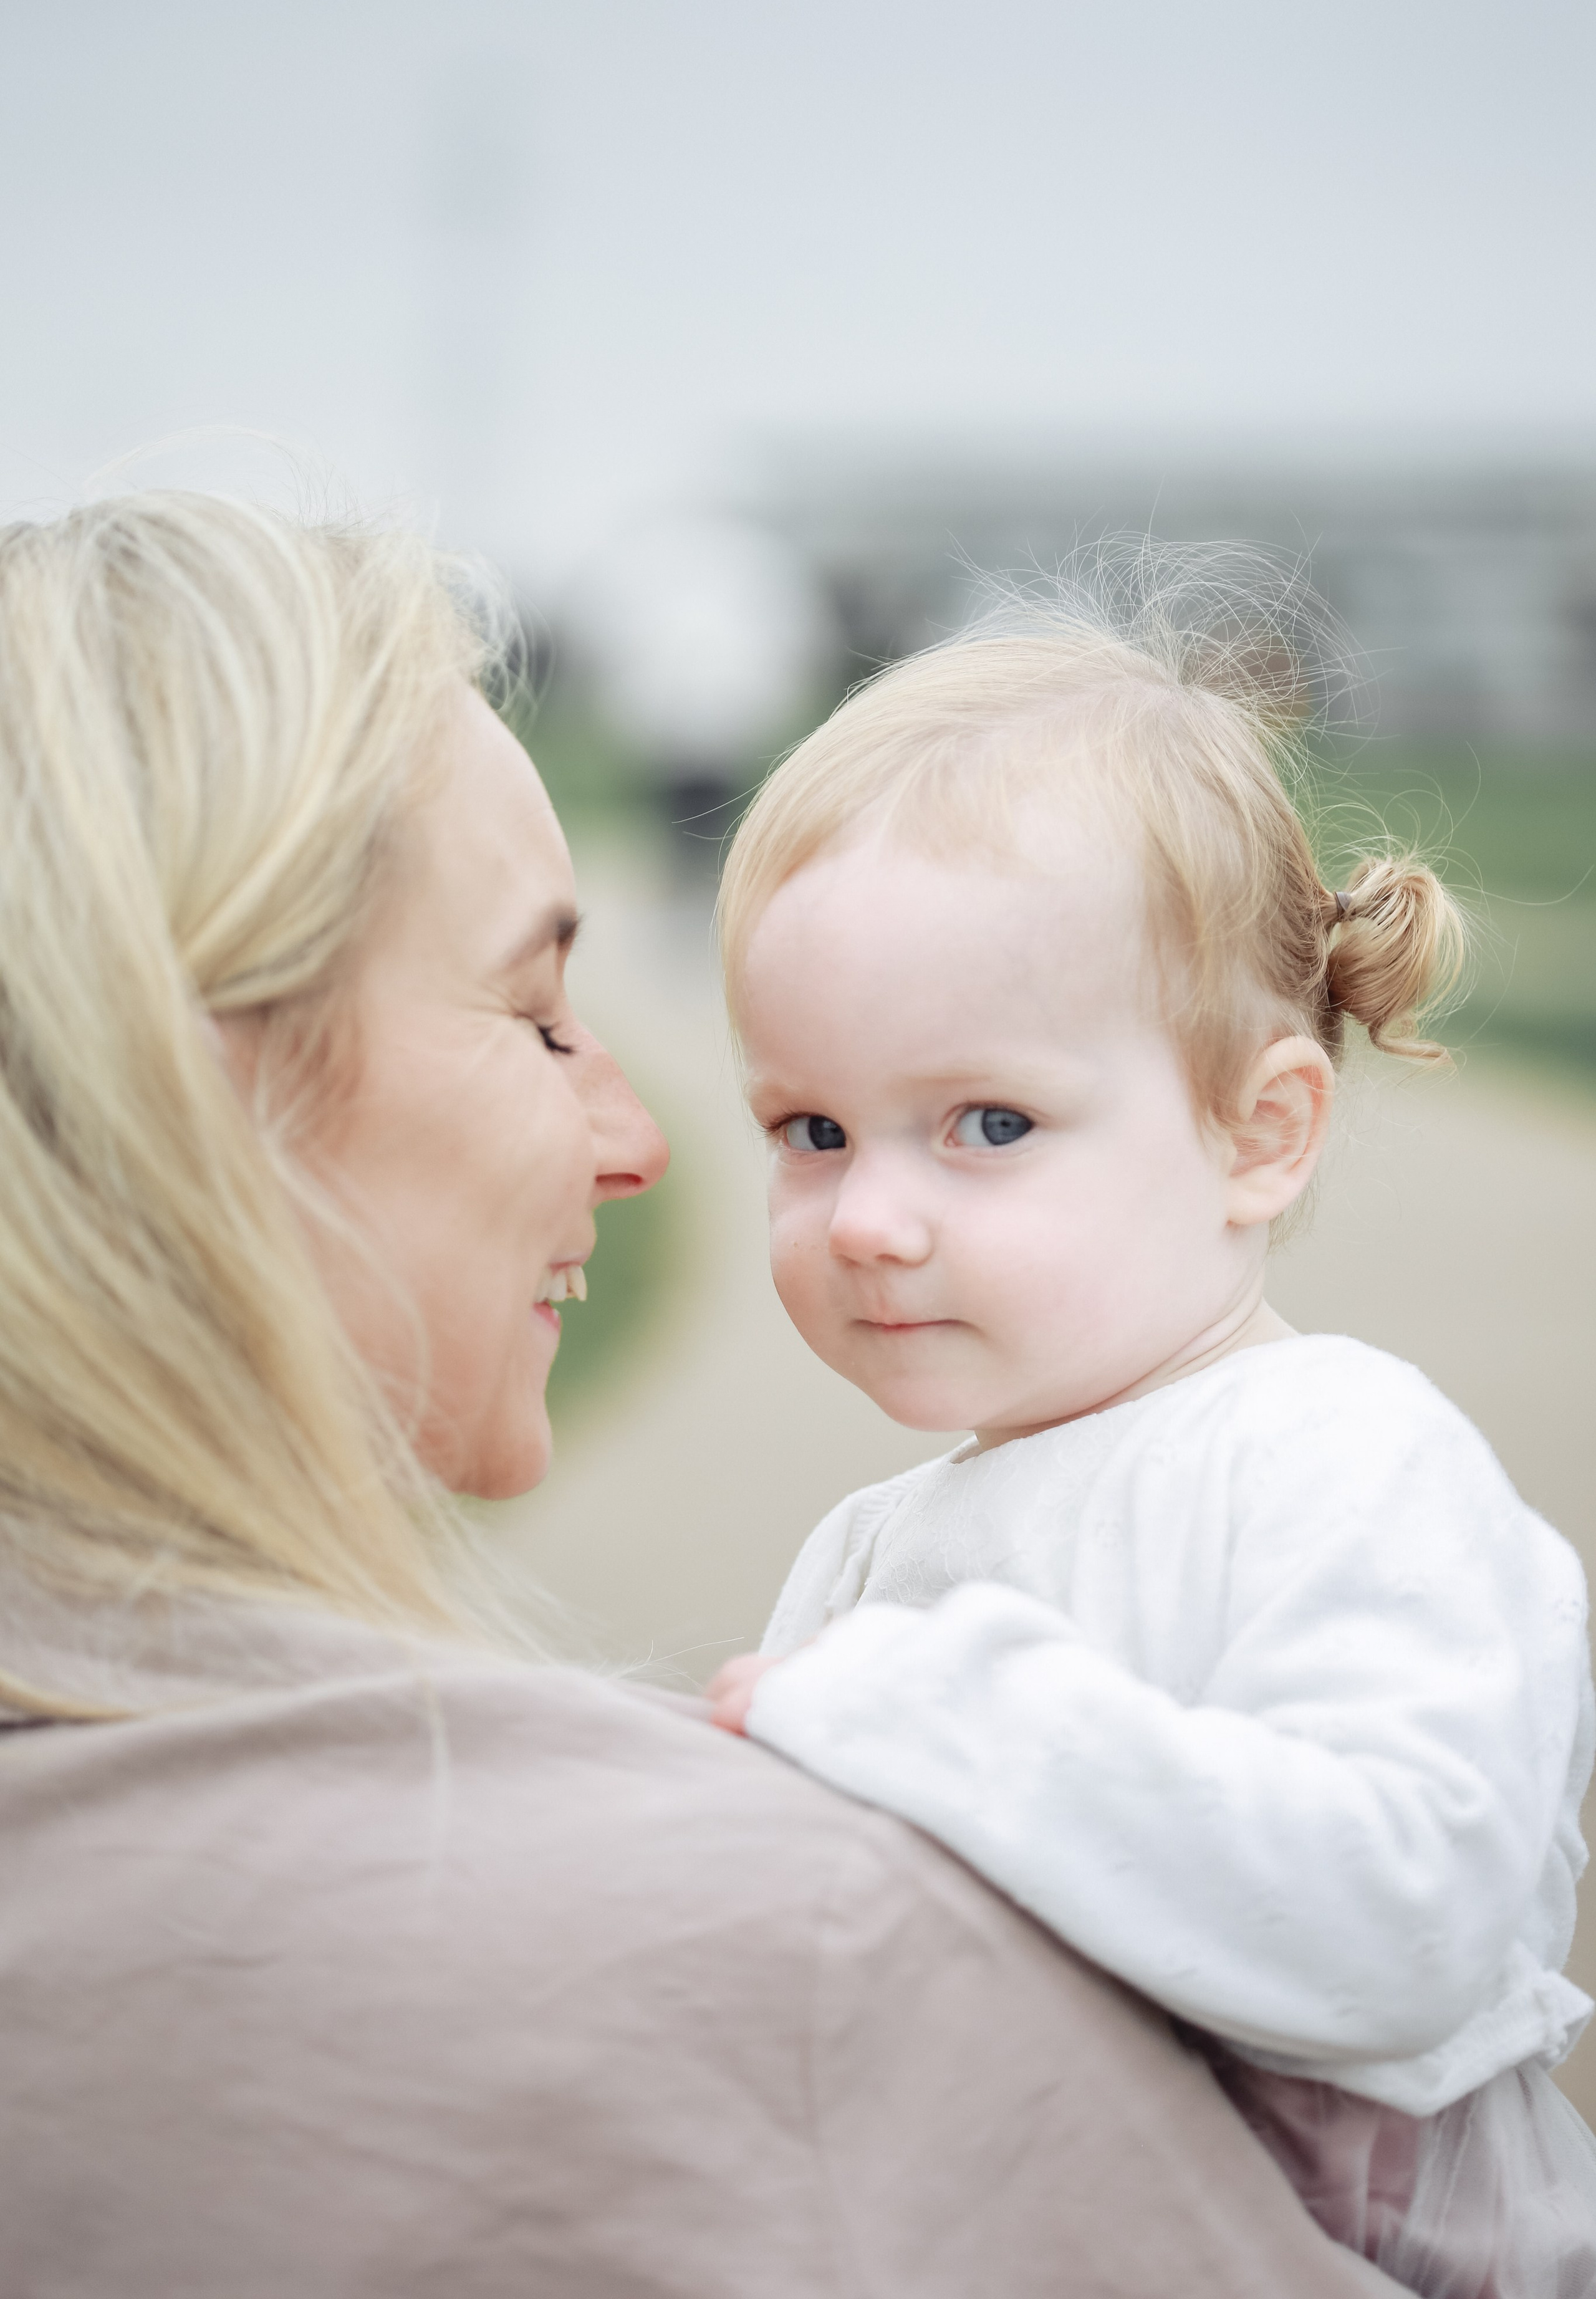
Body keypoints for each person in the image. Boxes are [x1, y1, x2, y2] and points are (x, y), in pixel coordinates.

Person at [0, 496, 1405, 2298]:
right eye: (537, 1015)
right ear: (194, 1102)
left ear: (1268, 1130)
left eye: (988, 1123)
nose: (642, 1140)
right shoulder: (805, 1955)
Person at [706, 560, 1596, 2297]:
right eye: (812, 1132)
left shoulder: (1337, 1458)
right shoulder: (869, 1552)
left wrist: (944, 1716)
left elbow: (1404, 1911)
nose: (867, 1219)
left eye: (986, 1123)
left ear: (1259, 1134)